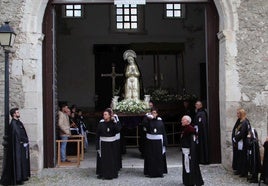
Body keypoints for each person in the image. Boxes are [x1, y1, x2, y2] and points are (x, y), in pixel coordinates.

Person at [0, 108, 30, 185]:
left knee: (22, 162)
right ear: (14, 114)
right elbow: (16, 136)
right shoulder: (13, 124)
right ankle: (18, 178)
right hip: (18, 146)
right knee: (18, 162)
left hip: (22, 146)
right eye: (17, 112)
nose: (18, 113)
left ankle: (22, 177)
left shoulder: (18, 123)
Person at [96, 108, 122, 179]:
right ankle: (103, 174)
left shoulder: (113, 123)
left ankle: (111, 174)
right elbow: (97, 135)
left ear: (110, 115)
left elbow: (118, 129)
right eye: (103, 114)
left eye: (105, 114)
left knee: (111, 160)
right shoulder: (101, 123)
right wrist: (97, 146)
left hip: (111, 144)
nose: (104, 116)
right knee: (103, 160)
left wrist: (115, 121)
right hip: (103, 144)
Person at [143, 107, 168, 178]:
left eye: (155, 113)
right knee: (151, 157)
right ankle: (150, 172)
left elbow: (163, 132)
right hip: (150, 141)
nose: (153, 114)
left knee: (159, 157)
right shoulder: (148, 120)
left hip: (158, 141)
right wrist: (146, 117)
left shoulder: (160, 121)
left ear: (157, 114)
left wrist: (165, 142)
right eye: (152, 113)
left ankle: (159, 172)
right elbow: (144, 125)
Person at [180, 115, 204, 186]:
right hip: (185, 151)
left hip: (189, 152)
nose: (181, 121)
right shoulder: (185, 128)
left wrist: (192, 153)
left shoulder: (191, 130)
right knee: (186, 166)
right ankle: (187, 181)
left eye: (183, 120)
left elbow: (192, 143)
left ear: (187, 121)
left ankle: (192, 181)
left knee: (190, 166)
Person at [232, 108, 251, 177]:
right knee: (239, 156)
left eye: (238, 113)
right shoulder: (239, 121)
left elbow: (242, 133)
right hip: (239, 142)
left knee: (243, 157)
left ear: (241, 114)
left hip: (242, 142)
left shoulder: (245, 122)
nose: (237, 115)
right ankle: (239, 169)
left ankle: (244, 172)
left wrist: (236, 138)